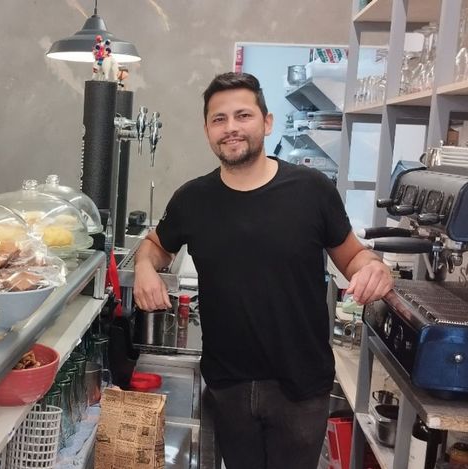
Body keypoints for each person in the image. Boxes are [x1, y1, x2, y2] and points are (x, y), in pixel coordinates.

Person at [133, 72, 392, 469]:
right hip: (228, 384)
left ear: (266, 122)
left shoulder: (311, 190)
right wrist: (145, 268)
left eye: (243, 115)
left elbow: (354, 256)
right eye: (219, 119)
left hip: (301, 387)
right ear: (207, 130)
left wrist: (375, 267)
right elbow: (154, 247)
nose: (231, 128)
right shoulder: (192, 199)